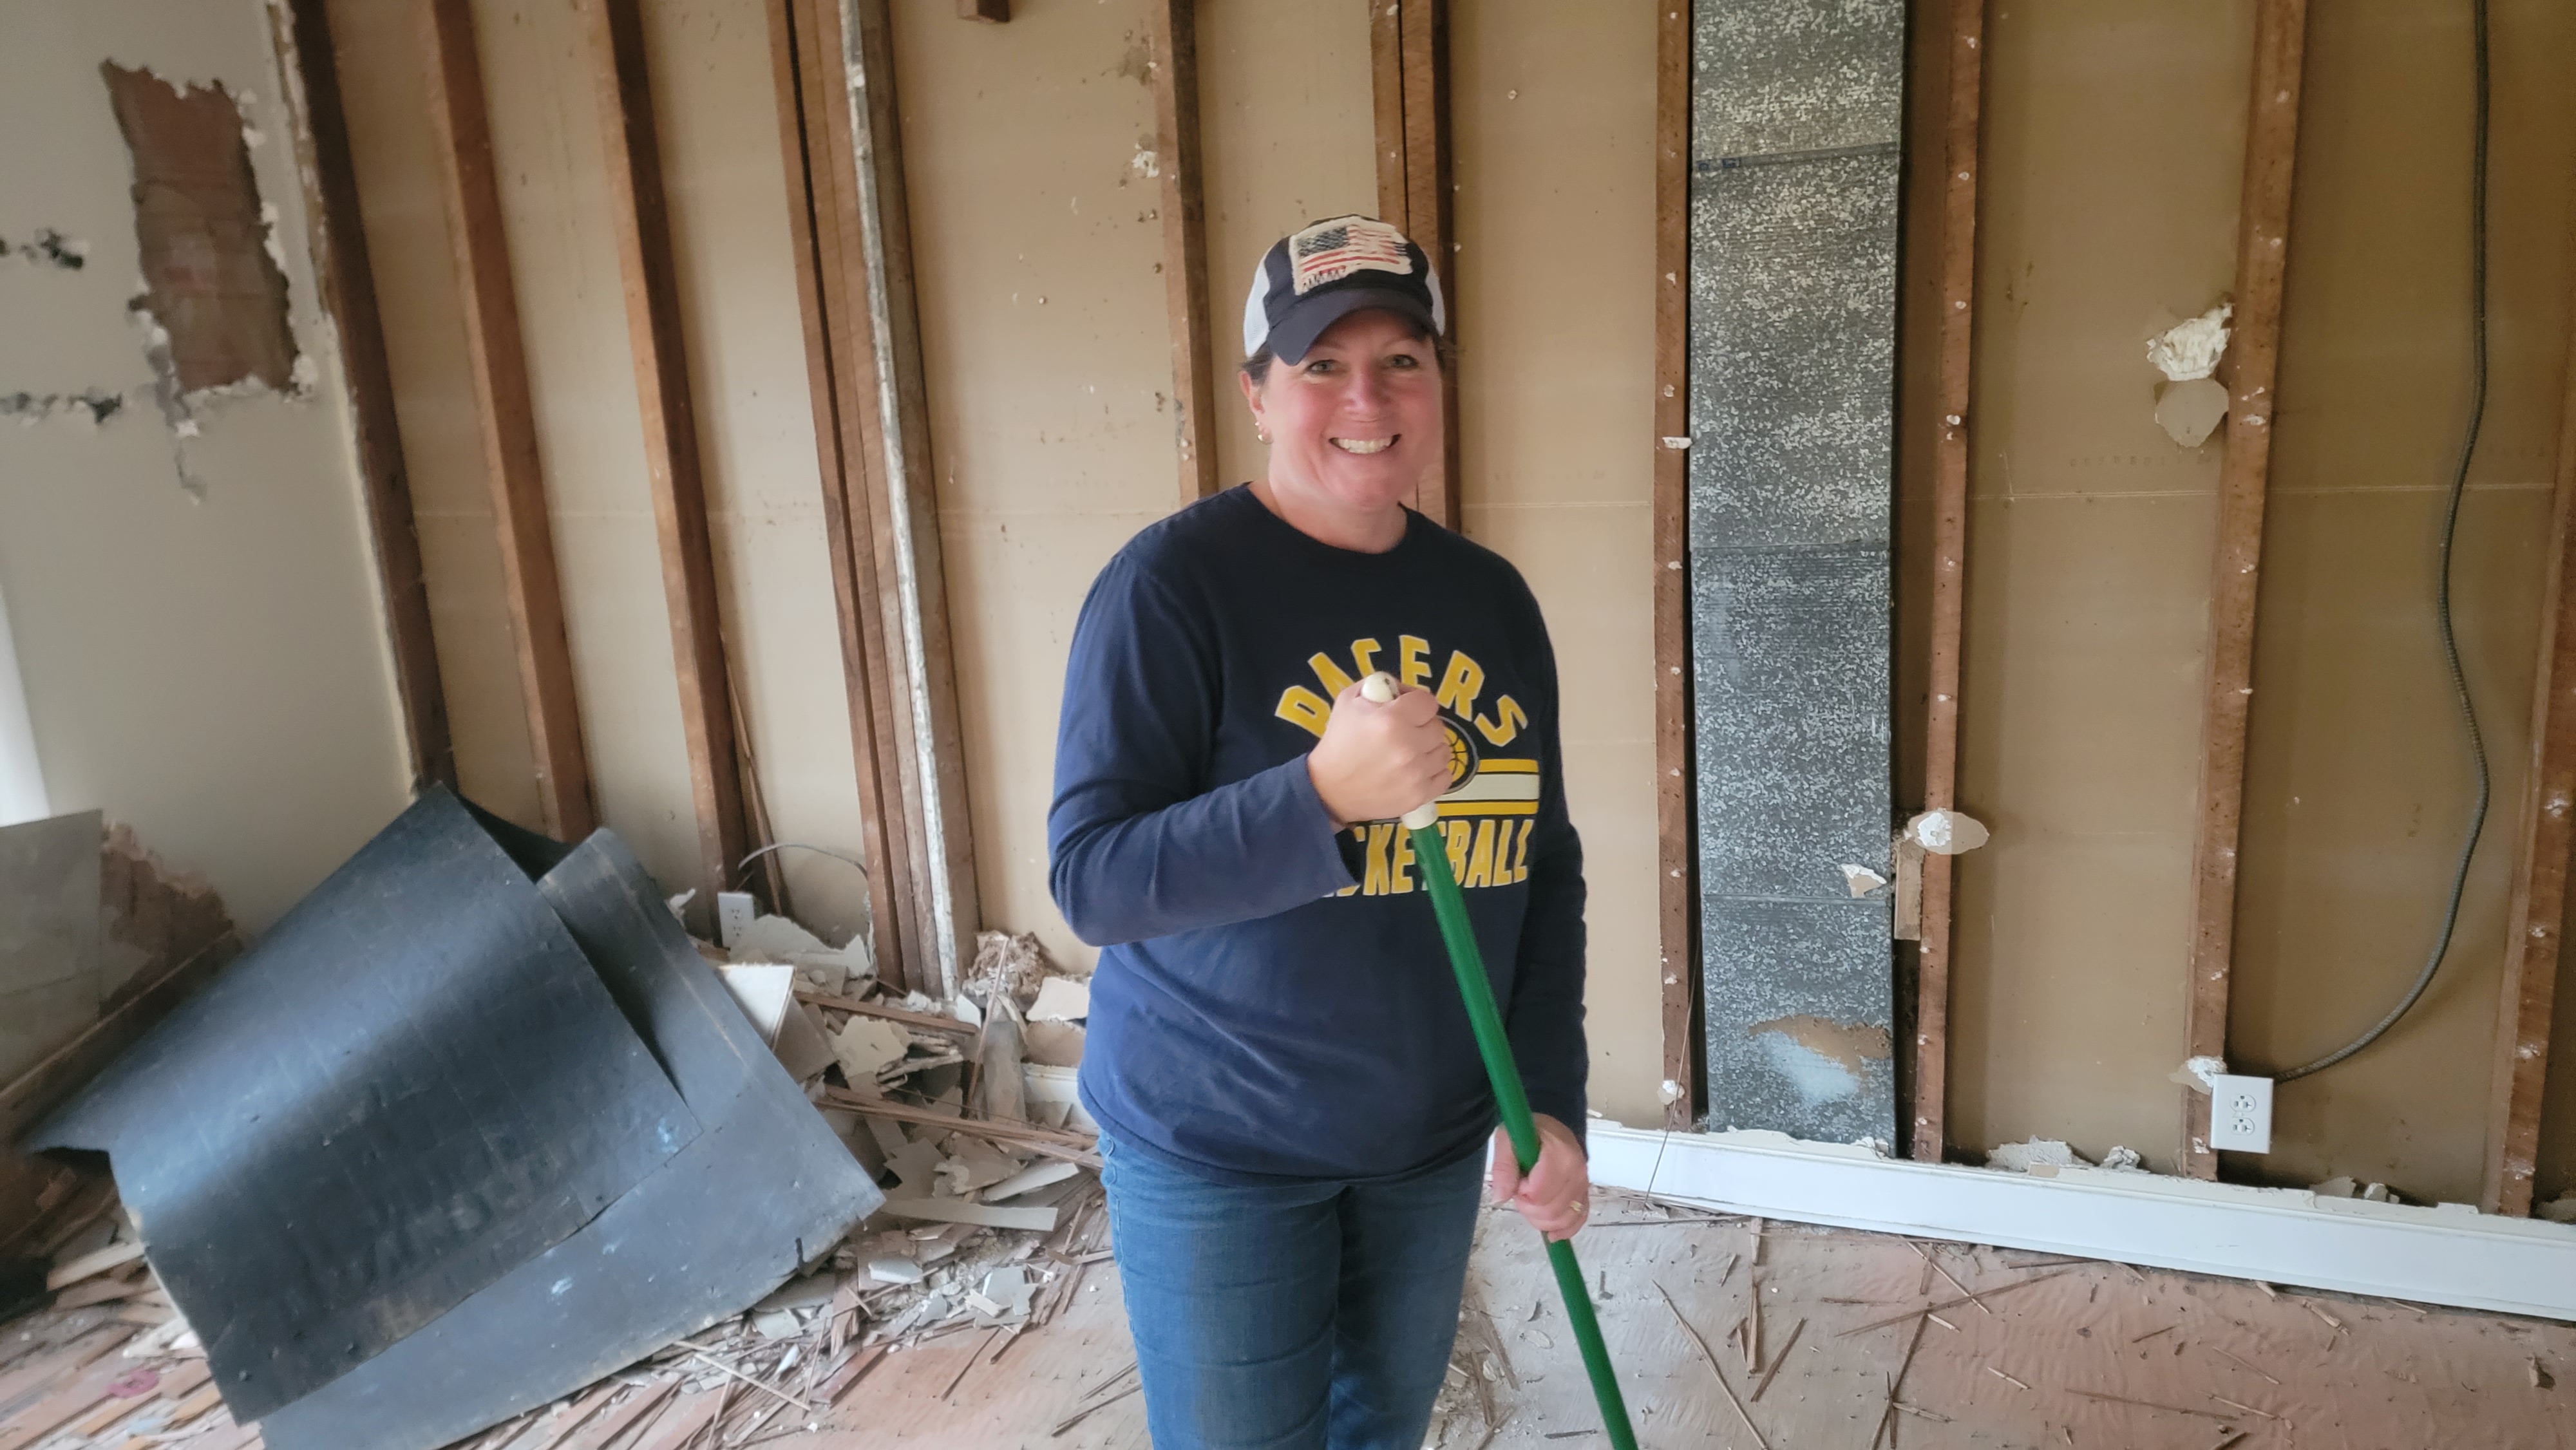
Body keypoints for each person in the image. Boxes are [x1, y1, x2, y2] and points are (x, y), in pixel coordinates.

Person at [1048, 215, 1590, 1450]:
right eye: (1321, 365)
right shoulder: (1171, 588)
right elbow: (1094, 881)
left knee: (1380, 1431)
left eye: (1402, 360)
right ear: (1257, 395)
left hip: (1425, 1144)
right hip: (1219, 1144)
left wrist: (1550, 1102)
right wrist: (1320, 796)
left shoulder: (1490, 599)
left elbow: (1542, 871)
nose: (1368, 399)